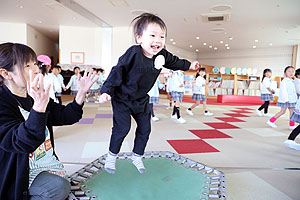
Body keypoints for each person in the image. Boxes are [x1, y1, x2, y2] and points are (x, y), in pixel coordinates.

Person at [98, 13, 199, 174]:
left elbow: (175, 62)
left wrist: (189, 65)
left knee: (145, 128)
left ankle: (137, 156)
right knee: (122, 128)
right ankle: (111, 156)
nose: (157, 40)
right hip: (122, 98)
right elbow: (118, 70)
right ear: (139, 38)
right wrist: (106, 91)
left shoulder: (162, 54)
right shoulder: (133, 53)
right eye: (152, 35)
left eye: (162, 36)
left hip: (141, 100)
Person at [0, 43, 96, 200]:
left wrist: (81, 93)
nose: (36, 69)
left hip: (46, 164)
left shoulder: (33, 96)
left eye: (35, 63)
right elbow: (20, 142)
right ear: (6, 73)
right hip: (20, 173)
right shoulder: (3, 102)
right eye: (27, 65)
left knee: (62, 184)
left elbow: (66, 115)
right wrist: (38, 107)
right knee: (58, 188)